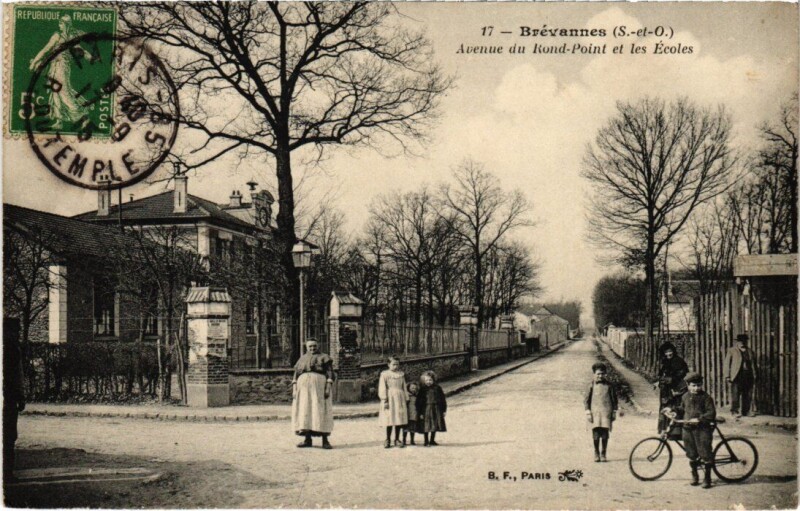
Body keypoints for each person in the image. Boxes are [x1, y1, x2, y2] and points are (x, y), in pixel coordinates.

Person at [668, 371, 717, 489]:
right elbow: (682, 409)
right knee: (691, 453)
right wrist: (673, 411)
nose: (696, 388)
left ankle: (707, 478)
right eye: (693, 385)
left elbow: (711, 413)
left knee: (705, 452)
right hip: (687, 428)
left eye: (699, 385)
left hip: (702, 429)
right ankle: (695, 475)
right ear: (688, 385)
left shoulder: (706, 398)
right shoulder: (685, 396)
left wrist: (700, 419)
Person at [291, 339, 334, 449]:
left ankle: (325, 441)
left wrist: (328, 387)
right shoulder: (302, 358)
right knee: (306, 411)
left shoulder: (324, 357)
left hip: (319, 387)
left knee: (320, 410)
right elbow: (296, 375)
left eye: (314, 346)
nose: (312, 348)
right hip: (303, 389)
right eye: (310, 346)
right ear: (306, 347)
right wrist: (294, 389)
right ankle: (307, 439)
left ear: (318, 346)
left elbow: (330, 373)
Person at [3, 318, 26, 483]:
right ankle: (6, 473)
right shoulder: (12, 350)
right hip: (8, 398)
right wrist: (20, 395)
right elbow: (17, 376)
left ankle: (7, 473)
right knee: (8, 435)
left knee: (9, 436)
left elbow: (18, 375)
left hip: (9, 398)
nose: (17, 334)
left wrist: (21, 395)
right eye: (15, 331)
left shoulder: (14, 349)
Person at [583, 362, 618, 462]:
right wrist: (588, 412)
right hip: (595, 413)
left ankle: (603, 453)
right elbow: (586, 400)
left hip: (606, 412)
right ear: (594, 374)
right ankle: (596, 453)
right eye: (598, 374)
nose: (600, 376)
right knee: (596, 433)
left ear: (605, 374)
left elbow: (614, 400)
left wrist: (614, 411)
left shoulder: (609, 385)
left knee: (605, 434)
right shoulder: (591, 385)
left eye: (602, 374)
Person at [655, 342, 689, 433]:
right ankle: (664, 429)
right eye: (666, 352)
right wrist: (659, 381)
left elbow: (681, 375)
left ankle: (675, 431)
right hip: (666, 390)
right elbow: (661, 375)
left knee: (674, 408)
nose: (668, 354)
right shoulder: (665, 362)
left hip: (676, 389)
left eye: (670, 351)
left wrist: (667, 380)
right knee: (665, 407)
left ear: (673, 351)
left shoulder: (679, 361)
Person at [724, 334, 758, 418]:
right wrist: (727, 375)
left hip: (748, 375)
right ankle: (734, 411)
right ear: (737, 342)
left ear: (746, 341)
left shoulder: (750, 351)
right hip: (737, 376)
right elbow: (727, 364)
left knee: (747, 394)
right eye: (740, 341)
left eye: (744, 341)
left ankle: (746, 411)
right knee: (735, 394)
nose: (742, 343)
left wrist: (755, 375)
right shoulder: (732, 350)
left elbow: (754, 364)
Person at [378, 357, 409, 448]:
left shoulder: (401, 374)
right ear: (388, 364)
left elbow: (404, 386)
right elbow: (382, 387)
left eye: (397, 364)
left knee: (398, 418)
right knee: (390, 418)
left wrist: (406, 398)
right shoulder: (385, 374)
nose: (396, 366)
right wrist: (384, 399)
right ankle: (388, 439)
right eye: (393, 364)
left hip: (400, 398)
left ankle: (397, 439)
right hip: (390, 397)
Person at [416, 371, 447, 446]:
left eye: (430, 380)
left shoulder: (437, 388)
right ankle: (426, 441)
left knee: (435, 424)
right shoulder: (422, 390)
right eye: (426, 380)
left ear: (433, 380)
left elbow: (442, 399)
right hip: (426, 409)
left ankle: (432, 440)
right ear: (424, 381)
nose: (428, 382)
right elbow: (418, 401)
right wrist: (420, 412)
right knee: (426, 425)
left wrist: (444, 410)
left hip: (436, 408)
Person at [403, 381, 420, 446]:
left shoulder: (417, 396)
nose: (414, 389)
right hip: (407, 414)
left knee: (413, 428)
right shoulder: (406, 396)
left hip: (414, 414)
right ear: (408, 388)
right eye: (412, 388)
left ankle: (412, 440)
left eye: (415, 388)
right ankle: (404, 440)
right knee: (405, 428)